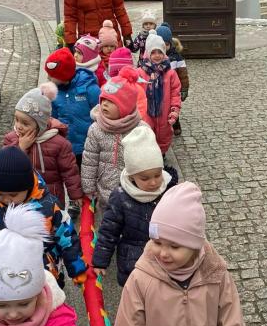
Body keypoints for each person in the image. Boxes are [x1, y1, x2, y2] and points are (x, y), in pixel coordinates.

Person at [112, 182, 250, 326]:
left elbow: (231, 325)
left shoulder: (215, 274)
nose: (163, 253)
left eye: (175, 247)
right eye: (157, 242)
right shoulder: (141, 279)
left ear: (194, 244)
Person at [0, 146, 87, 283]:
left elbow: (67, 238)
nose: (7, 199)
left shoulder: (50, 206)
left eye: (13, 195)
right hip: (2, 275)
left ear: (27, 187)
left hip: (45, 274)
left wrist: (77, 268)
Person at [92, 126, 178, 286]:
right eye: (145, 178)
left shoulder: (169, 190)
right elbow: (109, 231)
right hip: (133, 262)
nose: (153, 182)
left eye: (157, 175)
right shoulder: (120, 197)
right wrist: (100, 261)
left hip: (164, 260)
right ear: (132, 176)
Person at [2, 84, 82, 210]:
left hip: (51, 200)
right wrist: (20, 148)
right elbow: (4, 166)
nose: (19, 126)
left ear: (41, 124)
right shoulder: (11, 139)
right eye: (16, 120)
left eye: (25, 123)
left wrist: (75, 195)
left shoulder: (59, 144)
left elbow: (69, 171)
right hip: (23, 201)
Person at [80, 67, 150, 208]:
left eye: (111, 101)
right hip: (105, 194)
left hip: (133, 193)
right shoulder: (96, 129)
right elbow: (90, 160)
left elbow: (149, 162)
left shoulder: (141, 129)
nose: (104, 104)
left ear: (125, 105)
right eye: (103, 99)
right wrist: (89, 188)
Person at [44, 45, 100, 168]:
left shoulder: (89, 88)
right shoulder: (53, 92)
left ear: (63, 75)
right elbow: (52, 119)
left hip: (87, 147)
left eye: (51, 75)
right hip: (65, 147)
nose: (48, 77)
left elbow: (99, 115)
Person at [141, 34, 181, 156]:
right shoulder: (141, 73)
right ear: (148, 54)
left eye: (160, 52)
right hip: (146, 113)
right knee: (147, 135)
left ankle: (162, 156)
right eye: (153, 52)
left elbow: (175, 93)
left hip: (165, 112)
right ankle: (150, 158)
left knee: (164, 135)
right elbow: (135, 93)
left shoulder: (170, 73)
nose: (157, 55)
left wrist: (174, 110)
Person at [155, 22, 189, 137]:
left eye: (166, 45)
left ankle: (176, 124)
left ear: (170, 43)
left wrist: (184, 89)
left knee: (173, 107)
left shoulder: (176, 57)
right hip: (160, 88)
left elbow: (183, 74)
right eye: (162, 45)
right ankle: (161, 126)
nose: (164, 48)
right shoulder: (156, 57)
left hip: (173, 89)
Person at [96, 18, 120, 87]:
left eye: (112, 46)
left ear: (115, 47)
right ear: (101, 47)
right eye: (106, 46)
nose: (109, 48)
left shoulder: (118, 59)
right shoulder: (97, 60)